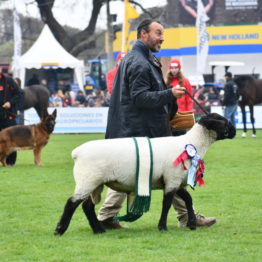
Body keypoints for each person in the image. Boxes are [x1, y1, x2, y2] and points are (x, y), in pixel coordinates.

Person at [98, 19, 216, 230]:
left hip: (138, 128)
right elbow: (140, 97)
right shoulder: (140, 62)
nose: (162, 37)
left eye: (162, 33)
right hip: (143, 131)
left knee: (128, 173)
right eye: (158, 33)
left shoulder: (139, 58)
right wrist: (169, 93)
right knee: (173, 173)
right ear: (143, 34)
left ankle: (107, 215)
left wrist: (170, 108)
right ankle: (186, 217)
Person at [0, 70, 23, 166]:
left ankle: (11, 162)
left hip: (8, 115)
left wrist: (10, 102)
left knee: (11, 139)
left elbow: (19, 93)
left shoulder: (8, 80)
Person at [165, 59, 194, 136]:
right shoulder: (166, 82)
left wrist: (188, 112)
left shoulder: (185, 81)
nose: (174, 70)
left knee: (181, 136)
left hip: (181, 113)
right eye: (172, 68)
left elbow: (189, 98)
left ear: (179, 69)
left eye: (176, 68)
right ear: (169, 69)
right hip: (169, 114)